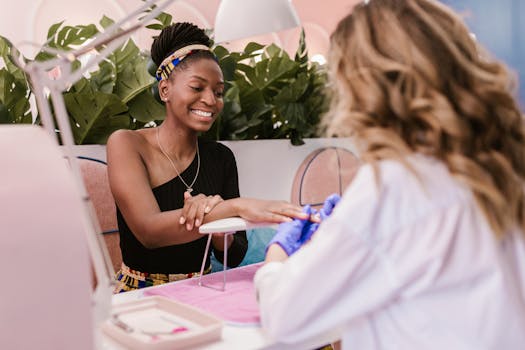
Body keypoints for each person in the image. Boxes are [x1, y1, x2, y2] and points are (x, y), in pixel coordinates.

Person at [254, 0, 525, 349]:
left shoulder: (399, 185)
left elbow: (286, 319)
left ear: (364, 89)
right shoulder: (503, 165)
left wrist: (278, 255)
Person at [107, 22, 306, 293]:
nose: (211, 100)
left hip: (203, 288)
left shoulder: (220, 157)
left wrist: (220, 232)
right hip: (139, 294)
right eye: (197, 87)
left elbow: (232, 256)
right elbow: (149, 232)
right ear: (165, 90)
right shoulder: (126, 144)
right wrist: (233, 208)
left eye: (218, 91)